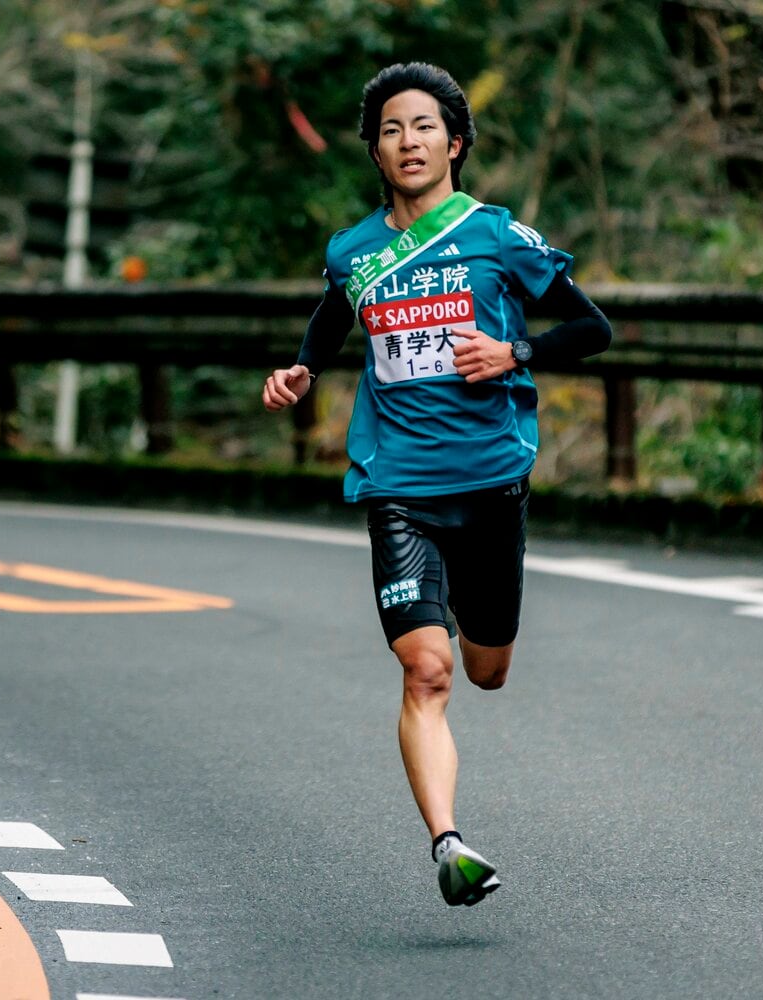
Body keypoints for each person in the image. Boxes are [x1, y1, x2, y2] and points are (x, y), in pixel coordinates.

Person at [262, 62, 611, 907]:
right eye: (390, 130)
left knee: (486, 670)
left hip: (491, 484)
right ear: (376, 153)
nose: (407, 141)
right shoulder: (354, 251)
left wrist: (514, 352)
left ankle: (463, 618)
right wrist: (305, 369)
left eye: (423, 127)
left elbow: (591, 326)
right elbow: (333, 313)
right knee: (428, 670)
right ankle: (448, 845)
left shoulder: (496, 236)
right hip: (400, 487)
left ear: (454, 143)